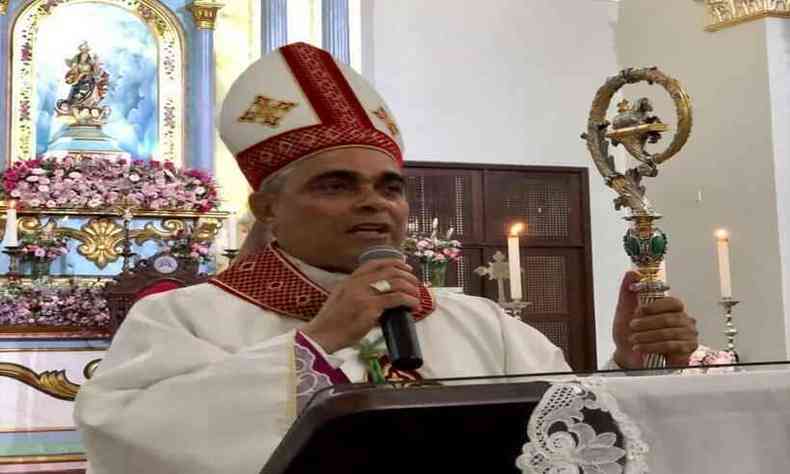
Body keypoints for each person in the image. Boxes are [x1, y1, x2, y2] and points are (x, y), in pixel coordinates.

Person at [74, 42, 698, 473]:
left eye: (389, 186)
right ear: (267, 209)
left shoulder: (479, 324)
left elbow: (562, 435)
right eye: (336, 184)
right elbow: (131, 438)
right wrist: (317, 344)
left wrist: (632, 366)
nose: (374, 204)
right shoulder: (184, 319)